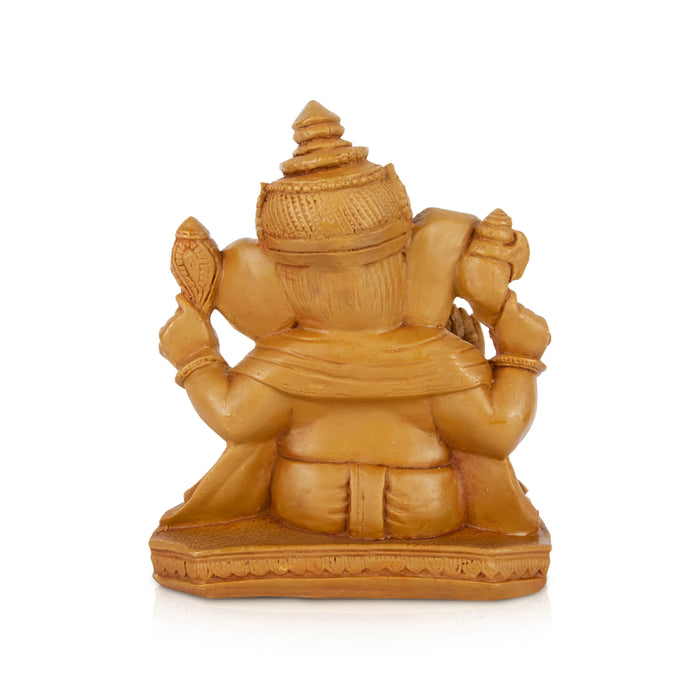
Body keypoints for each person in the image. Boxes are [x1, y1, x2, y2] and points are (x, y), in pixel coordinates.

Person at [157, 101, 550, 539]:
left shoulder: (431, 357)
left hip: (361, 509)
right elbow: (498, 429)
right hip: (348, 511)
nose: (345, 286)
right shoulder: (292, 358)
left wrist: (196, 357)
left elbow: (233, 416)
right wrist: (516, 347)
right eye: (319, 274)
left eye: (363, 268)